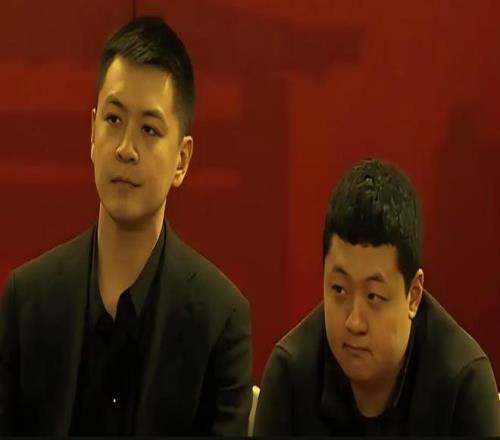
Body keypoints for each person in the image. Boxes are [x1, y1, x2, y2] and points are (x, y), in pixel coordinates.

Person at [0, 16, 252, 436]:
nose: (126, 149)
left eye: (149, 129)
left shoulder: (219, 321)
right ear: (92, 133)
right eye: (113, 120)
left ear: (181, 160)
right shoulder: (27, 300)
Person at [255, 158, 499, 436]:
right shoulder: (291, 375)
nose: (354, 322)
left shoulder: (462, 384)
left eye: (374, 296)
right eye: (339, 290)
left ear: (413, 296)